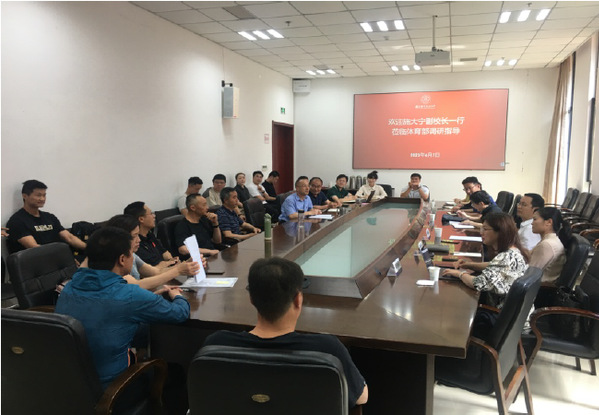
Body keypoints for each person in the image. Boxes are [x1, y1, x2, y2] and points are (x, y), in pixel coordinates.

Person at [203, 257, 368, 408]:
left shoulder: (217, 344)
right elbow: (361, 397)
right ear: (298, 299)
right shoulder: (327, 349)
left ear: (251, 299)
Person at [55, 226, 190, 389]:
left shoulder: (70, 286)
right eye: (131, 253)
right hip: (113, 389)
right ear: (122, 259)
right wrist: (178, 296)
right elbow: (180, 314)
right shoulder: (129, 295)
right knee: (175, 371)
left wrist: (149, 299)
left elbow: (106, 309)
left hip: (70, 383)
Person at [442, 212, 529, 309]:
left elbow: (478, 283)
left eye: (485, 229)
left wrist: (460, 274)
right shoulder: (514, 251)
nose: (481, 232)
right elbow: (493, 265)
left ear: (500, 232)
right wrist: (468, 265)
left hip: (496, 312)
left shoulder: (506, 257)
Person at [104, 214, 200, 291]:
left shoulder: (132, 255)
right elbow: (137, 285)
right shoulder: (114, 259)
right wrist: (178, 271)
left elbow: (155, 272)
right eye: (134, 236)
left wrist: (186, 264)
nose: (139, 240)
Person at [6, 179, 87, 254]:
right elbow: (34, 248)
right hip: (37, 261)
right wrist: (65, 259)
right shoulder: (17, 221)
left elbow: (69, 237)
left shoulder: (50, 217)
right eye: (38, 195)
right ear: (25, 196)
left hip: (58, 258)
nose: (42, 199)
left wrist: (90, 249)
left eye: (44, 195)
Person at [124, 201, 177, 268]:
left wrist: (172, 261)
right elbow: (156, 267)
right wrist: (171, 264)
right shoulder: (136, 244)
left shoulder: (149, 235)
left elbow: (165, 253)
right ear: (141, 219)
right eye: (151, 213)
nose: (154, 216)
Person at [529, 207, 569, 283]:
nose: (532, 223)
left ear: (549, 222)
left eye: (535, 219)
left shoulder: (547, 245)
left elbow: (529, 273)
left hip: (539, 287)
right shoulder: (551, 240)